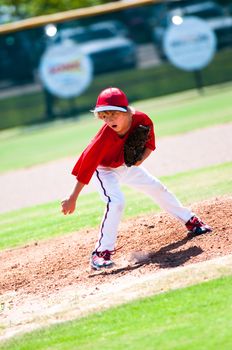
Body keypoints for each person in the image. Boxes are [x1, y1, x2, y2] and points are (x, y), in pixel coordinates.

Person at [61, 87, 212, 270]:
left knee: (156, 187)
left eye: (113, 115)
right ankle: (101, 253)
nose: (109, 121)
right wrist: (73, 197)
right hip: (104, 170)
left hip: (126, 165)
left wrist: (140, 160)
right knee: (116, 202)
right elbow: (86, 167)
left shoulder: (141, 119)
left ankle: (191, 221)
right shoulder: (102, 139)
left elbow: (150, 143)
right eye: (104, 116)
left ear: (126, 111)